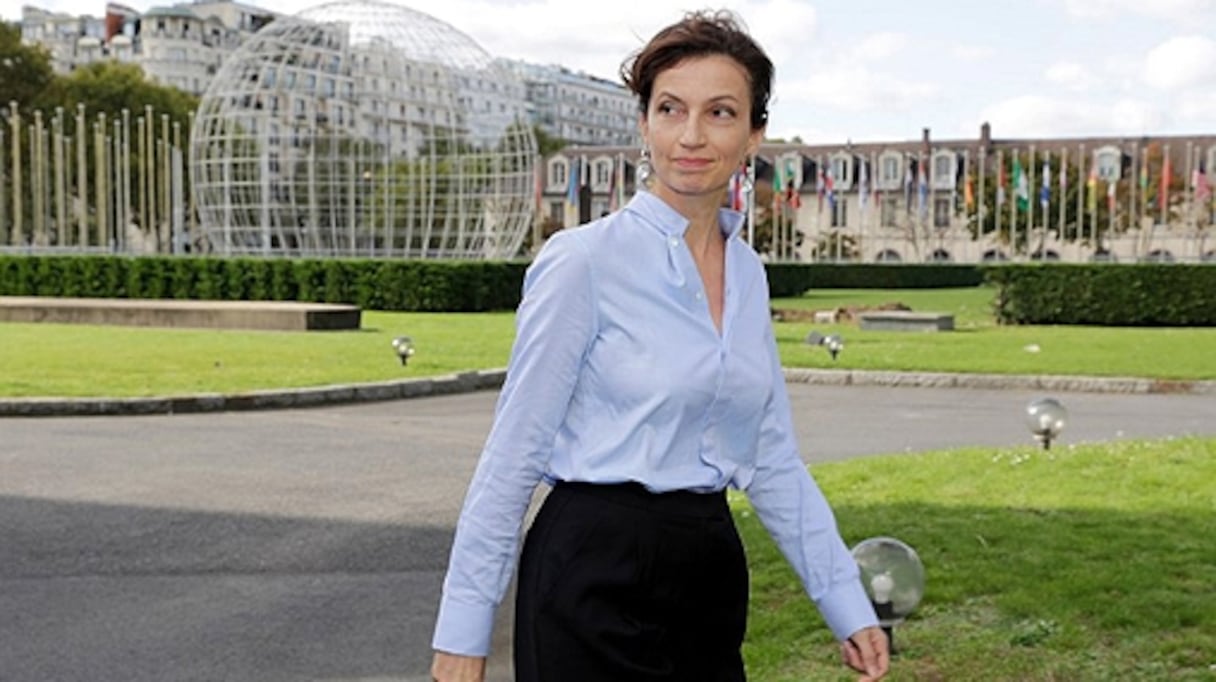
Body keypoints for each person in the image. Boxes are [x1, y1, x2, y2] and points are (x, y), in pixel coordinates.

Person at [431, 10, 890, 682]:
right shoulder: (583, 262)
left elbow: (770, 458)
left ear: (754, 134)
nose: (692, 136)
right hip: (591, 569)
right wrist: (462, 634)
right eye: (671, 109)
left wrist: (846, 601)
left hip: (708, 572)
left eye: (721, 112)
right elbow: (513, 454)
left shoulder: (749, 274)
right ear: (644, 123)